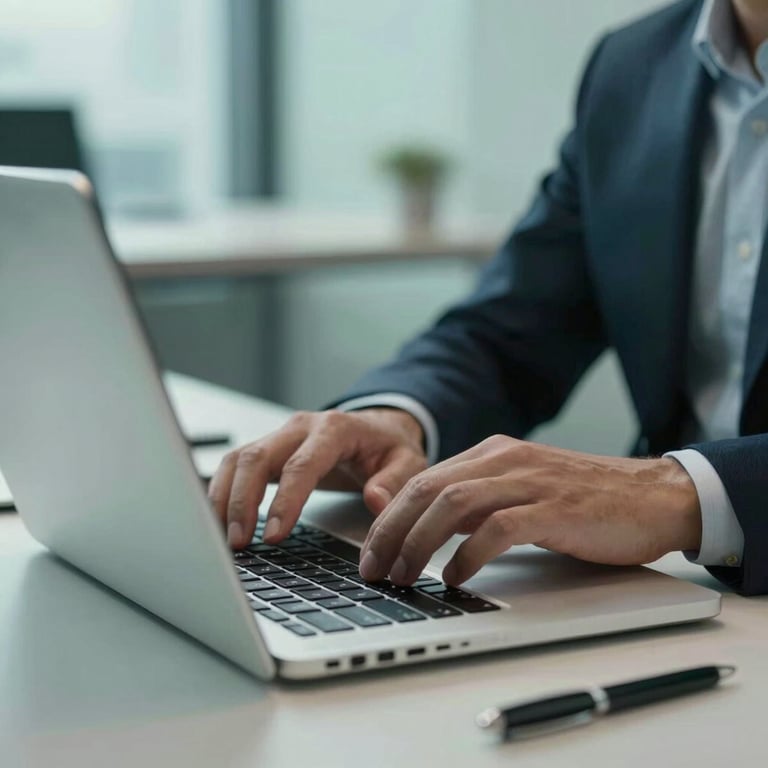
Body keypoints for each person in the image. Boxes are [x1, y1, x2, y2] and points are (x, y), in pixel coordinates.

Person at [210, 0, 768, 596]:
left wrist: (684, 492)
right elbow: (511, 329)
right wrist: (398, 416)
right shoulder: (633, 65)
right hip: (679, 588)